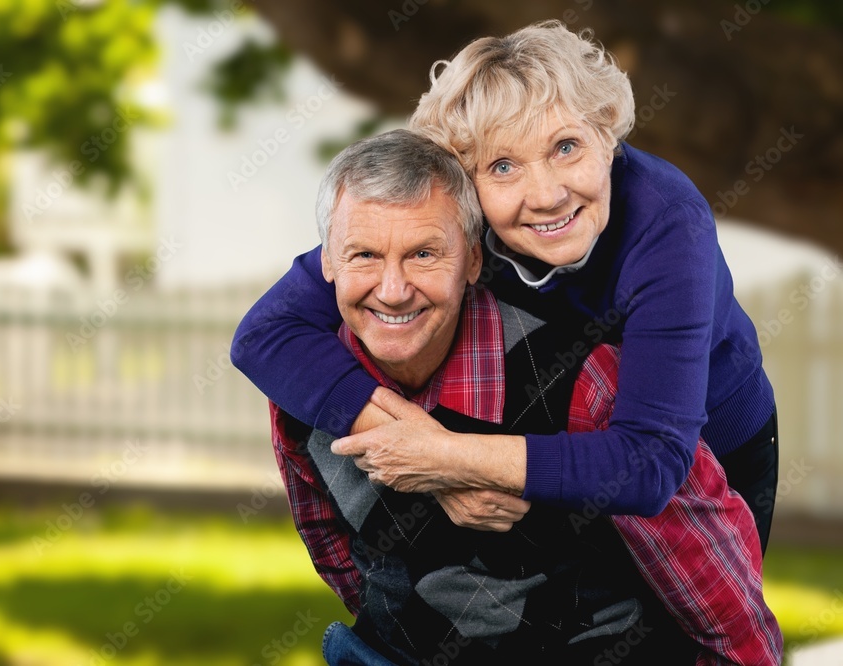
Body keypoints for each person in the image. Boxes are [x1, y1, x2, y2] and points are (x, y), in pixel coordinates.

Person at [232, 20, 779, 553]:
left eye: (566, 147)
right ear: (465, 178)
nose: (545, 195)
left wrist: (447, 458)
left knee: (708, 620)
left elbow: (650, 463)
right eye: (502, 166)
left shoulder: (668, 223)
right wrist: (421, 447)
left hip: (707, 446)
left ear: (607, 132)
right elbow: (264, 335)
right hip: (548, 444)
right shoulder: (454, 215)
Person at [268, 128, 780, 664]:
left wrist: (455, 460)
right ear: (326, 264)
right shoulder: (303, 380)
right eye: (364, 255)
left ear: (472, 260)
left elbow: (721, 603)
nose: (393, 290)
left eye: (423, 254)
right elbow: (336, 550)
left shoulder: (586, 380)